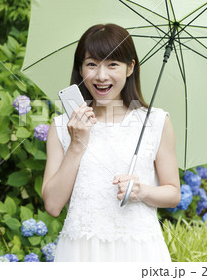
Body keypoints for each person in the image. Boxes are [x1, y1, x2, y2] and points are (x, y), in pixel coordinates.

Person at [42, 23, 180, 262]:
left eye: (112, 64)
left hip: (139, 252)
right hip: (80, 253)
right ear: (80, 68)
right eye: (92, 64)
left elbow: (173, 193)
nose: (101, 75)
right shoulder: (62, 127)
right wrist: (76, 145)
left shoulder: (156, 122)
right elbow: (53, 205)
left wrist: (141, 190)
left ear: (130, 68)